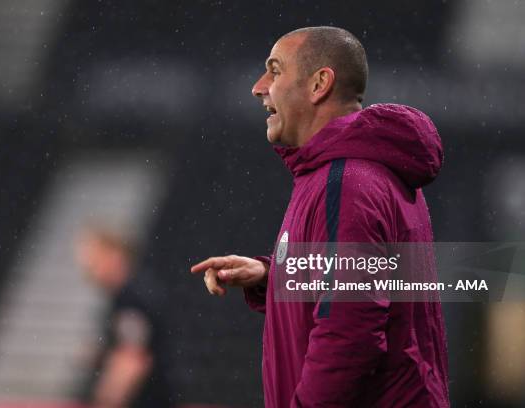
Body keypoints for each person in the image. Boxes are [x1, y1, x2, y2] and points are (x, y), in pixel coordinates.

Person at [191, 26, 450, 407]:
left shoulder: (346, 182)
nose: (259, 87)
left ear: (319, 84)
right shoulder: (360, 173)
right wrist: (273, 274)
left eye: (275, 70)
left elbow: (350, 333)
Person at [76, 226, 170, 408]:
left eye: (94, 260)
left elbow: (132, 358)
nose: (87, 268)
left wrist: (105, 401)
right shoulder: (130, 294)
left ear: (114, 255)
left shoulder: (131, 298)